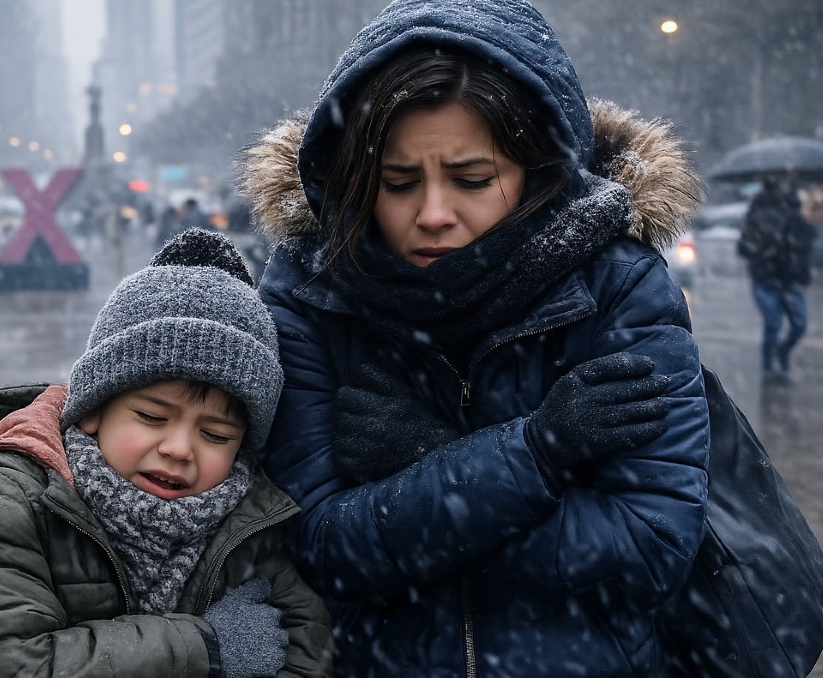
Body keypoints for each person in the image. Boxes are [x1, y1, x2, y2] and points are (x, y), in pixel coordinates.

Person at [237, 0, 711, 675]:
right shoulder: (309, 295)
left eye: (471, 180)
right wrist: (536, 459)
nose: (433, 214)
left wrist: (441, 459)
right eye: (398, 183)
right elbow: (324, 548)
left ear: (537, 170)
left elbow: (649, 554)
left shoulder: (619, 288)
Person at [0, 229, 333, 677]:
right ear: (93, 410)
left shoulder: (251, 526)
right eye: (152, 418)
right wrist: (201, 648)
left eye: (214, 434)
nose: (178, 449)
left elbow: (305, 653)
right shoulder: (6, 506)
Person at [737, 174, 817, 381]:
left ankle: (781, 354)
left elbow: (804, 246)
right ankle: (768, 367)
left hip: (790, 278)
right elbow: (745, 246)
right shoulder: (758, 211)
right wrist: (766, 250)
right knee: (773, 323)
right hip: (766, 278)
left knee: (799, 325)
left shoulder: (797, 212)